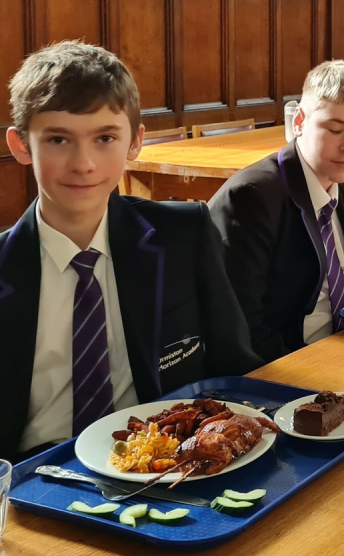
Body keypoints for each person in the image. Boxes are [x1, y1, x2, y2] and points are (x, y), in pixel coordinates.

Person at [0, 41, 259, 460]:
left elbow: (235, 365)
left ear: (135, 142)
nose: (84, 163)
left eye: (105, 137)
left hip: (169, 462)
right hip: (35, 474)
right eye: (58, 140)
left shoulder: (183, 233)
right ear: (21, 146)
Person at [210, 61, 344, 361]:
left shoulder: (338, 190)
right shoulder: (251, 198)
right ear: (300, 121)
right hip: (285, 369)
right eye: (335, 129)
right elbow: (240, 329)